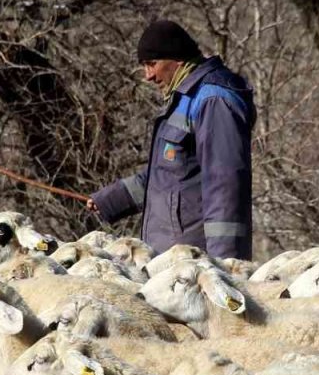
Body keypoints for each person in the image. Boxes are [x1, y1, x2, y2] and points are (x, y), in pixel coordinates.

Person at [87, 19, 255, 259]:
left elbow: (225, 188)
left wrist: (225, 268)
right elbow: (167, 178)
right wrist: (111, 200)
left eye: (152, 64)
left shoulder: (214, 100)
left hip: (196, 267)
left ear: (176, 59)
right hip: (170, 262)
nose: (148, 76)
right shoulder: (185, 99)